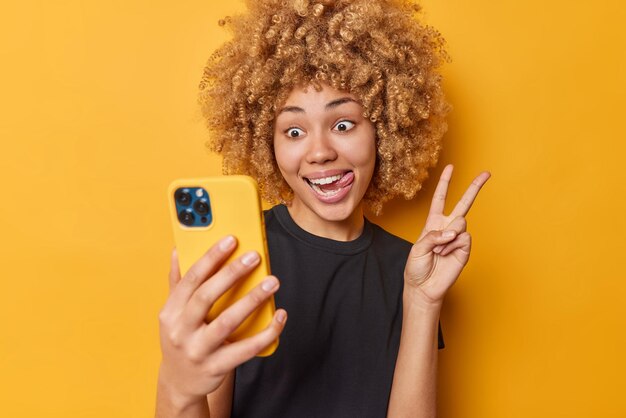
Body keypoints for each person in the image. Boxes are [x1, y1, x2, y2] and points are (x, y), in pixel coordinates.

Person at [156, 0, 490, 417]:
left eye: (343, 124)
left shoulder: (411, 269)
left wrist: (422, 302)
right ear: (266, 142)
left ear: (384, 129)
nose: (319, 152)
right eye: (294, 131)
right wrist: (178, 385)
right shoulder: (236, 259)